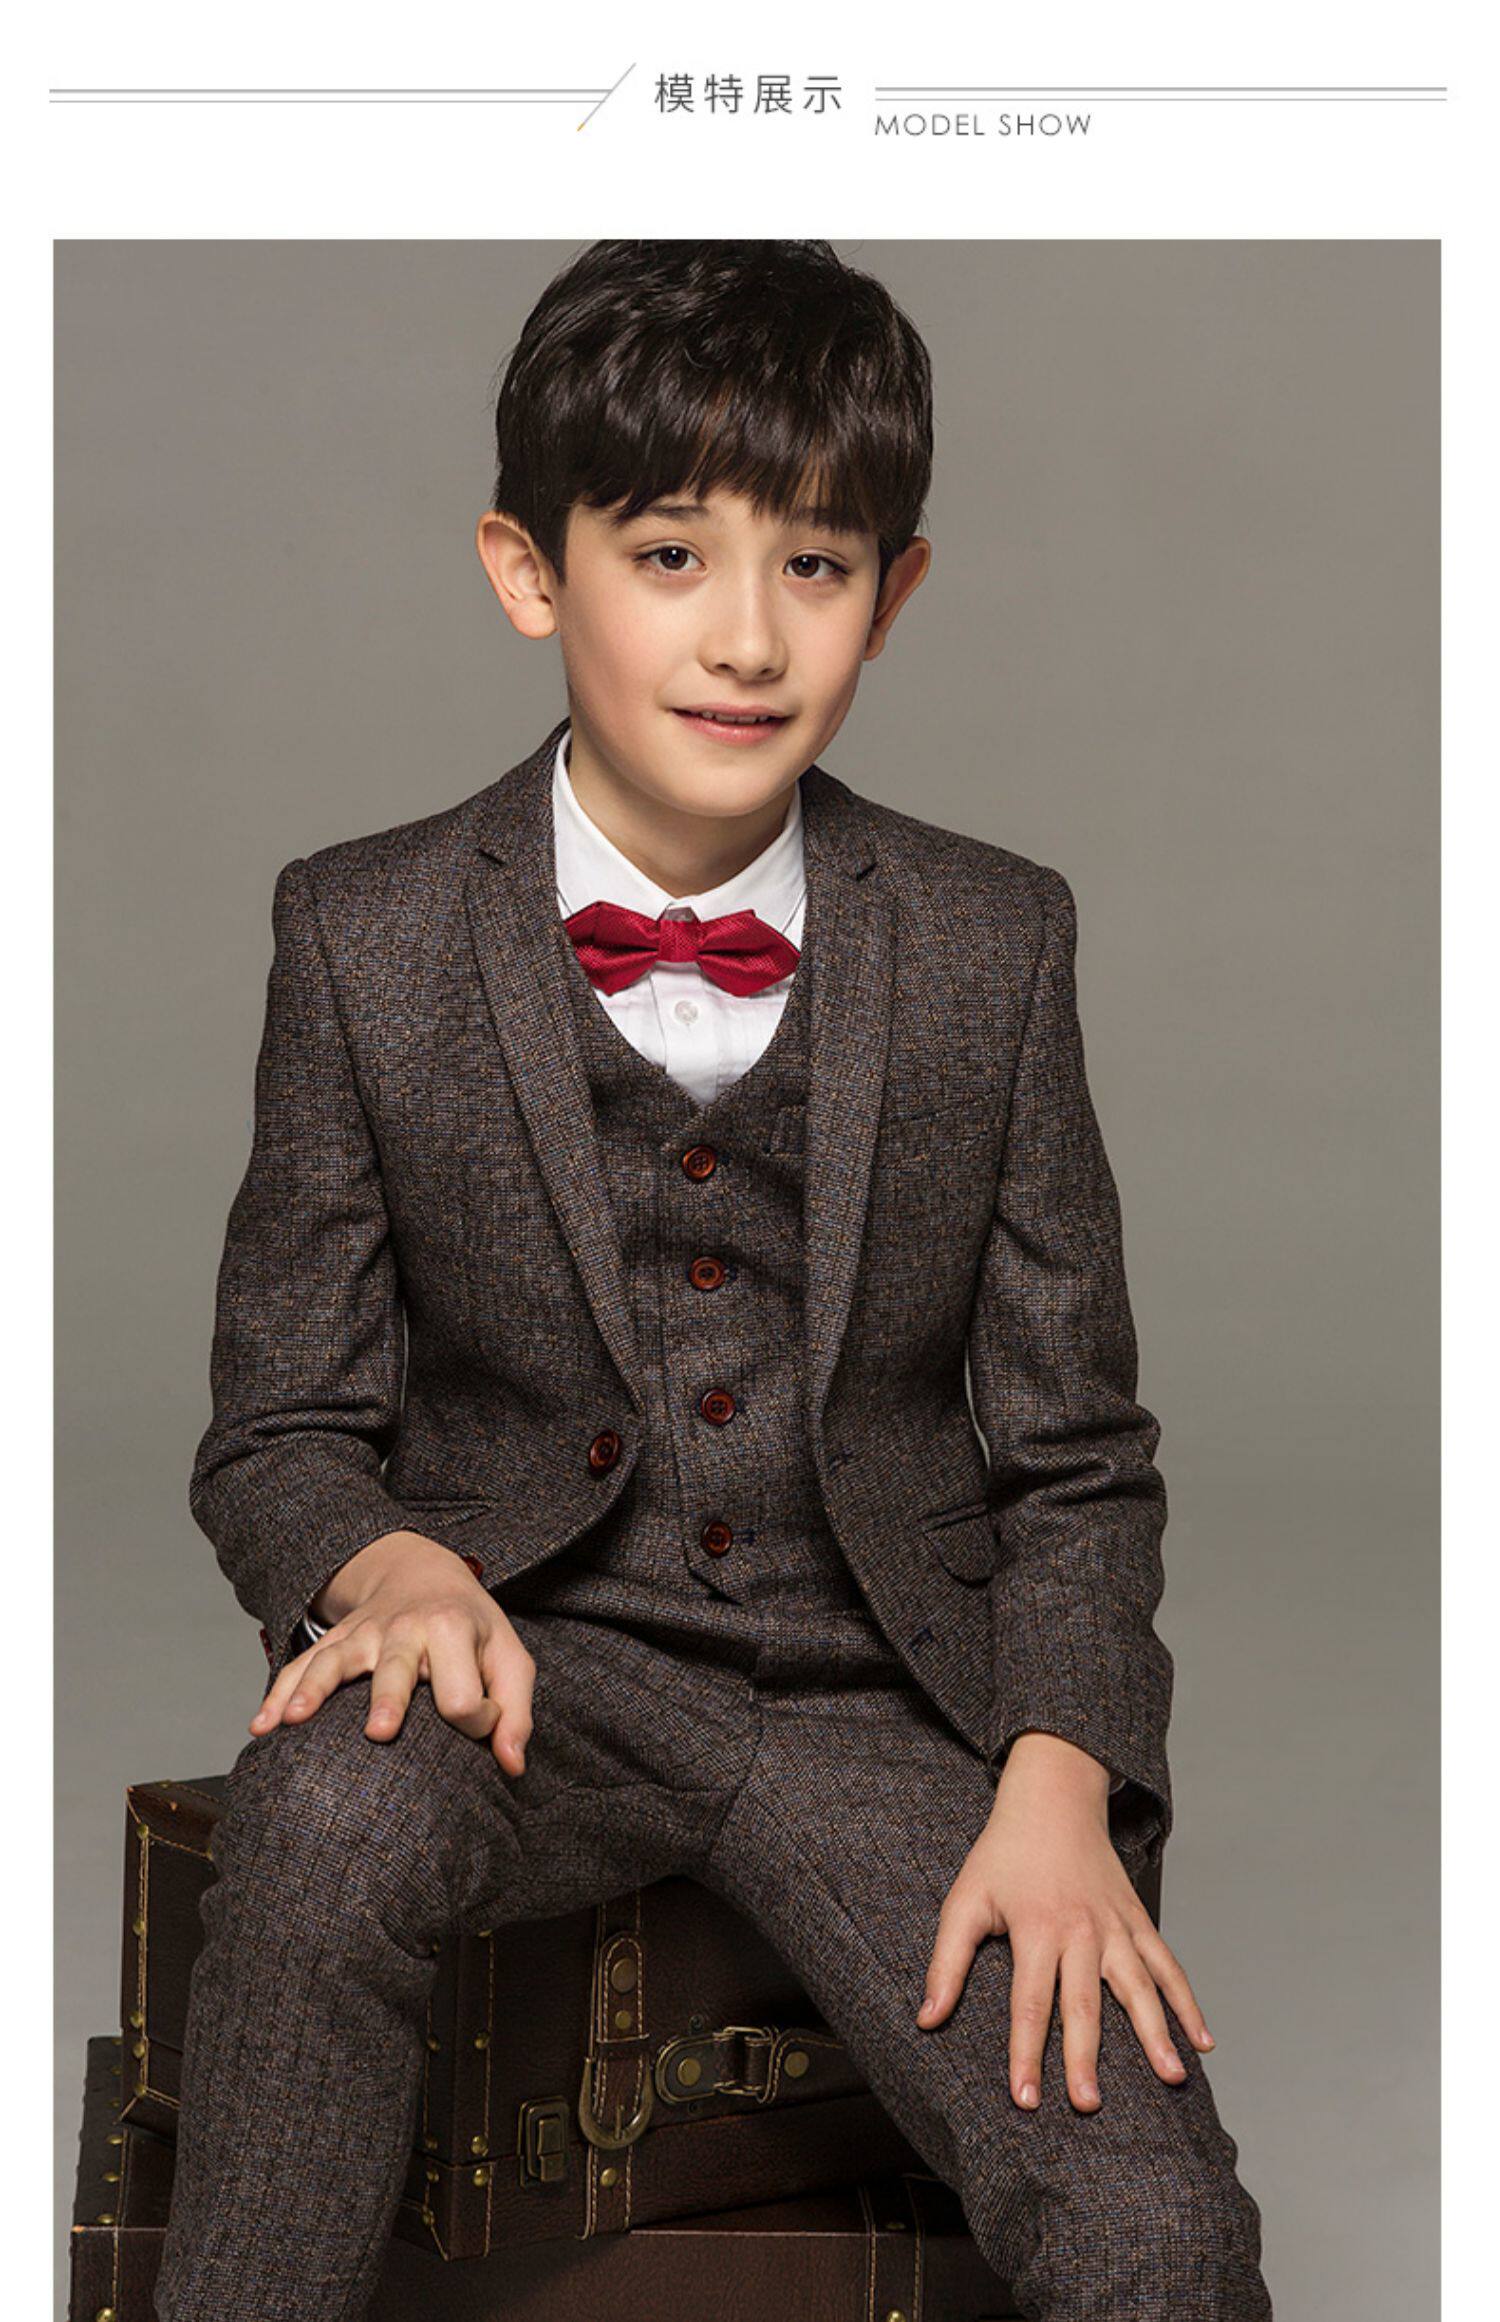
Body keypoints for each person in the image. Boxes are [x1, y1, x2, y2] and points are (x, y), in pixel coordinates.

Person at [153, 239, 1273, 2321]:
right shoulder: (364, 934)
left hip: (882, 1696)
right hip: (529, 1665)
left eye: (815, 567)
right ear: (530, 570)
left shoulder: (992, 940)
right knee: (321, 1820)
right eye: (669, 557)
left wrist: (1061, 1770)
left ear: (894, 595)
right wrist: (389, 1563)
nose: (747, 636)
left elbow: (1077, 1456)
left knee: (1157, 2228)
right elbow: (280, 1423)